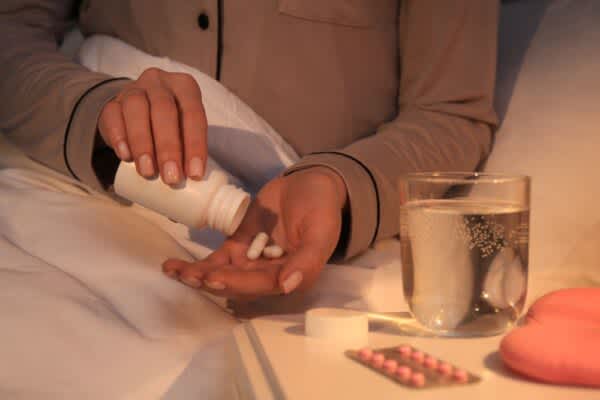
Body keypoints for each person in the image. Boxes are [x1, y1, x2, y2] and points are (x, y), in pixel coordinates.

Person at [0, 1, 499, 299]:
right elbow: (11, 34)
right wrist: (97, 112)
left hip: (326, 251)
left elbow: (450, 111)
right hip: (88, 207)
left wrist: (341, 182)